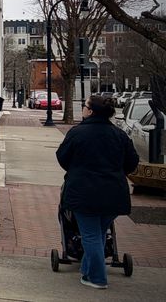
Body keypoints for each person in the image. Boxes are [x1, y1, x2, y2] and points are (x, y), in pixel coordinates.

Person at [55, 94, 139, 289]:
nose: (83, 109)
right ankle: (87, 271)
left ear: (90, 111)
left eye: (85, 106)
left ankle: (98, 278)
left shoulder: (77, 133)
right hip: (113, 193)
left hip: (84, 193)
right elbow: (132, 162)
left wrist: (77, 169)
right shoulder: (119, 136)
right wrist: (115, 172)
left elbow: (62, 157)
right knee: (99, 233)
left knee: (91, 235)